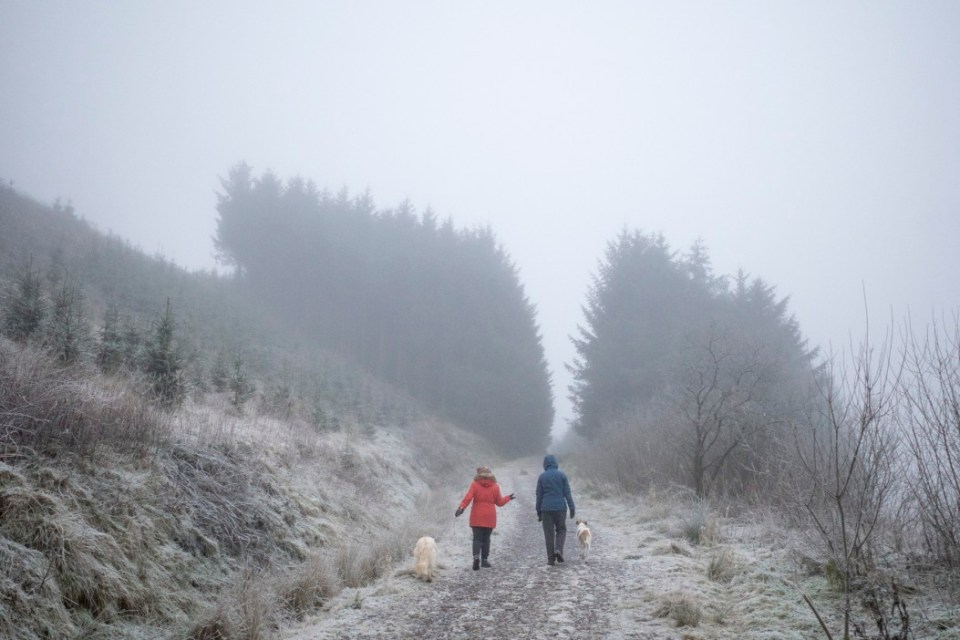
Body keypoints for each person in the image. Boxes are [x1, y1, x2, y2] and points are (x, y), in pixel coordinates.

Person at [455, 466, 514, 570]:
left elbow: (468, 498)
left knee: (477, 539)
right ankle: (484, 560)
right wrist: (508, 498)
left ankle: (476, 558)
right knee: (486, 539)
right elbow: (499, 502)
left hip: (477, 516)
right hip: (490, 517)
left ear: (479, 475)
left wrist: (461, 508)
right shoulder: (495, 486)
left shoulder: (475, 484)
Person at [536, 454, 575, 566]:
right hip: (560, 508)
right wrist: (572, 507)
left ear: (545, 464)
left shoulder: (542, 477)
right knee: (561, 529)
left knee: (549, 534)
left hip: (546, 509)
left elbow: (539, 495)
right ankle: (558, 549)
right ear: (556, 463)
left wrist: (538, 511)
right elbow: (567, 493)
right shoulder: (562, 475)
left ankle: (550, 559)